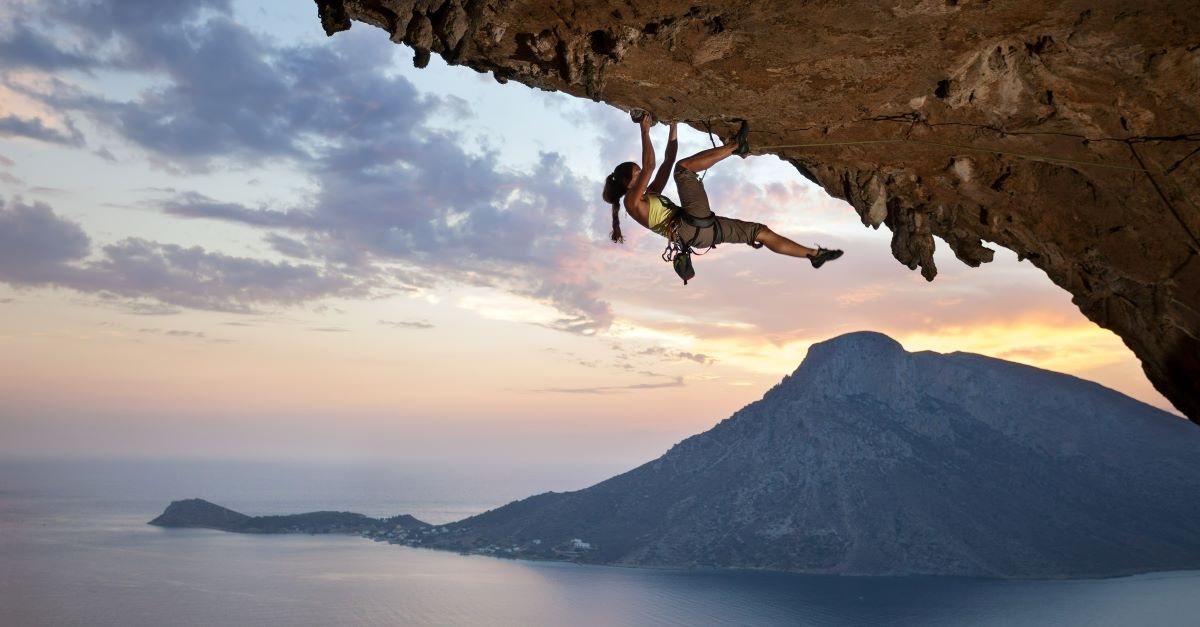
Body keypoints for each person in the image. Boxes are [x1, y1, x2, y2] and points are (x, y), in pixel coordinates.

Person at [601, 114, 843, 269]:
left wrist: (673, 125)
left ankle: (813, 254)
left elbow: (667, 160)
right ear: (626, 183)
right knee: (683, 170)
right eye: (636, 173)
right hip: (689, 226)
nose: (643, 172)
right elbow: (653, 165)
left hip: (701, 233)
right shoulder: (633, 204)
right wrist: (644, 132)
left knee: (761, 232)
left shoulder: (650, 195)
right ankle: (737, 145)